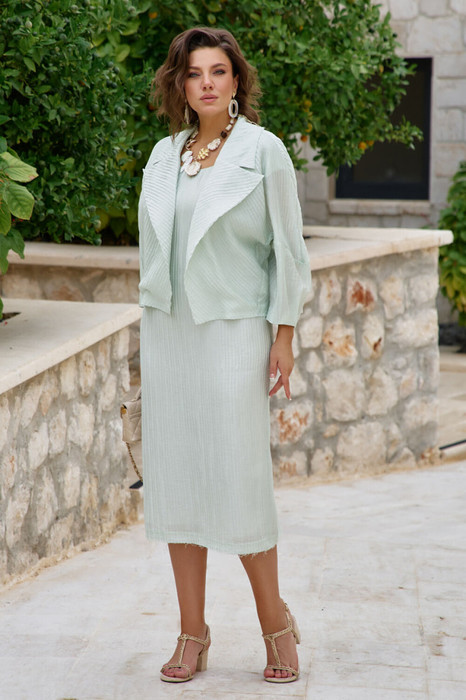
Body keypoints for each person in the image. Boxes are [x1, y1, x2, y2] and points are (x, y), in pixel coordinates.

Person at [138, 26, 312, 684]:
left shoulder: (263, 151)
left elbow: (288, 250)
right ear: (180, 85)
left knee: (240, 481)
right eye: (194, 73)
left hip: (236, 332)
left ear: (237, 80)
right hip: (172, 335)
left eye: (218, 70)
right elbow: (155, 250)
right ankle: (193, 631)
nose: (206, 82)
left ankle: (275, 622)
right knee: (178, 480)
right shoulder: (165, 155)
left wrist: (283, 334)